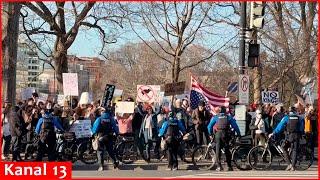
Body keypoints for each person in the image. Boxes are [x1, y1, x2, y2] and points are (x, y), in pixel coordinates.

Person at [269, 106, 304, 171]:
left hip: (288, 137)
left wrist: (273, 133)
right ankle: (293, 166)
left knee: (283, 147)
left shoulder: (286, 118)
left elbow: (280, 127)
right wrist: (301, 134)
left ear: (289, 111)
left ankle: (289, 164)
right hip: (296, 136)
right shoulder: (300, 118)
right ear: (295, 111)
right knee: (295, 150)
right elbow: (301, 128)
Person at [207, 106, 241, 171]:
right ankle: (229, 166)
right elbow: (235, 126)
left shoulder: (216, 117)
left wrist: (210, 134)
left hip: (218, 134)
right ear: (225, 111)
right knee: (227, 150)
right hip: (226, 135)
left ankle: (219, 166)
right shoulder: (228, 117)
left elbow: (209, 126)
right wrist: (238, 134)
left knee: (218, 150)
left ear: (219, 111)